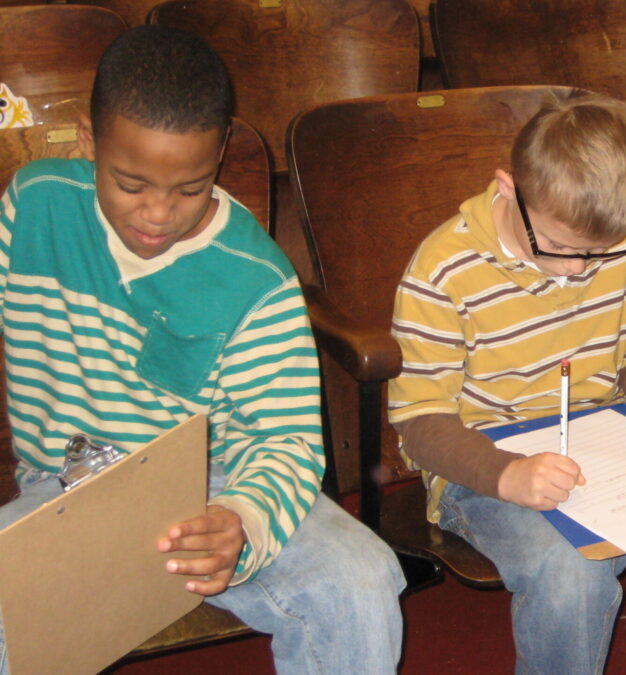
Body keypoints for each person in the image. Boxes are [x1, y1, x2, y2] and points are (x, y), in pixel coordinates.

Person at [0, 26, 404, 673]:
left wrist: (240, 516)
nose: (157, 213)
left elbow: (289, 439)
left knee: (360, 580)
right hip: (65, 488)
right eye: (130, 183)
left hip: (211, 484)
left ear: (218, 156)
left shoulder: (256, 279)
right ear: (86, 142)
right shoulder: (34, 206)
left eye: (189, 188)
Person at [388, 89, 626, 674]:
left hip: (605, 440)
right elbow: (420, 421)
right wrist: (504, 474)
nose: (575, 270)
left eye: (597, 251)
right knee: (572, 570)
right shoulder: (443, 269)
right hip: (480, 462)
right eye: (558, 247)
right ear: (510, 188)